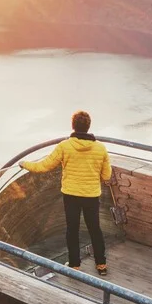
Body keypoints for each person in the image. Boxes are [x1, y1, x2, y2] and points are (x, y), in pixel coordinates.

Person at [19, 110, 112, 275]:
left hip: (71, 195)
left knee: (72, 229)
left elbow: (43, 166)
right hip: (91, 195)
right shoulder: (100, 148)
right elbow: (107, 175)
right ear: (88, 126)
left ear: (73, 126)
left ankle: (75, 265)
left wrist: (24, 164)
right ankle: (101, 265)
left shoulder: (65, 146)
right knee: (95, 229)